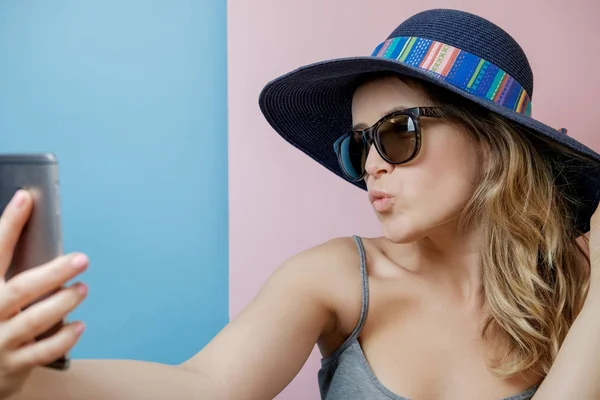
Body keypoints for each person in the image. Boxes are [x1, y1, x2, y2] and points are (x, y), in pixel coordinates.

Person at [1, 8, 600, 400]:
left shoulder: (579, 284)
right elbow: (205, 385)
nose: (372, 165)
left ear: (495, 147)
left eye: (397, 133)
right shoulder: (341, 276)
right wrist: (21, 383)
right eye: (359, 143)